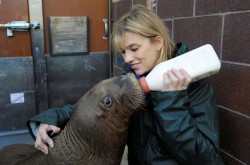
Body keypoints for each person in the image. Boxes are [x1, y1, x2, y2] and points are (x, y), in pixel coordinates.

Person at [27, 4, 224, 165]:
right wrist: (50, 119)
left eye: (134, 48)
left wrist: (172, 101)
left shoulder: (195, 86)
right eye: (123, 51)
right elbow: (96, 106)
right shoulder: (137, 76)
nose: (127, 59)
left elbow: (207, 159)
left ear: (158, 42)